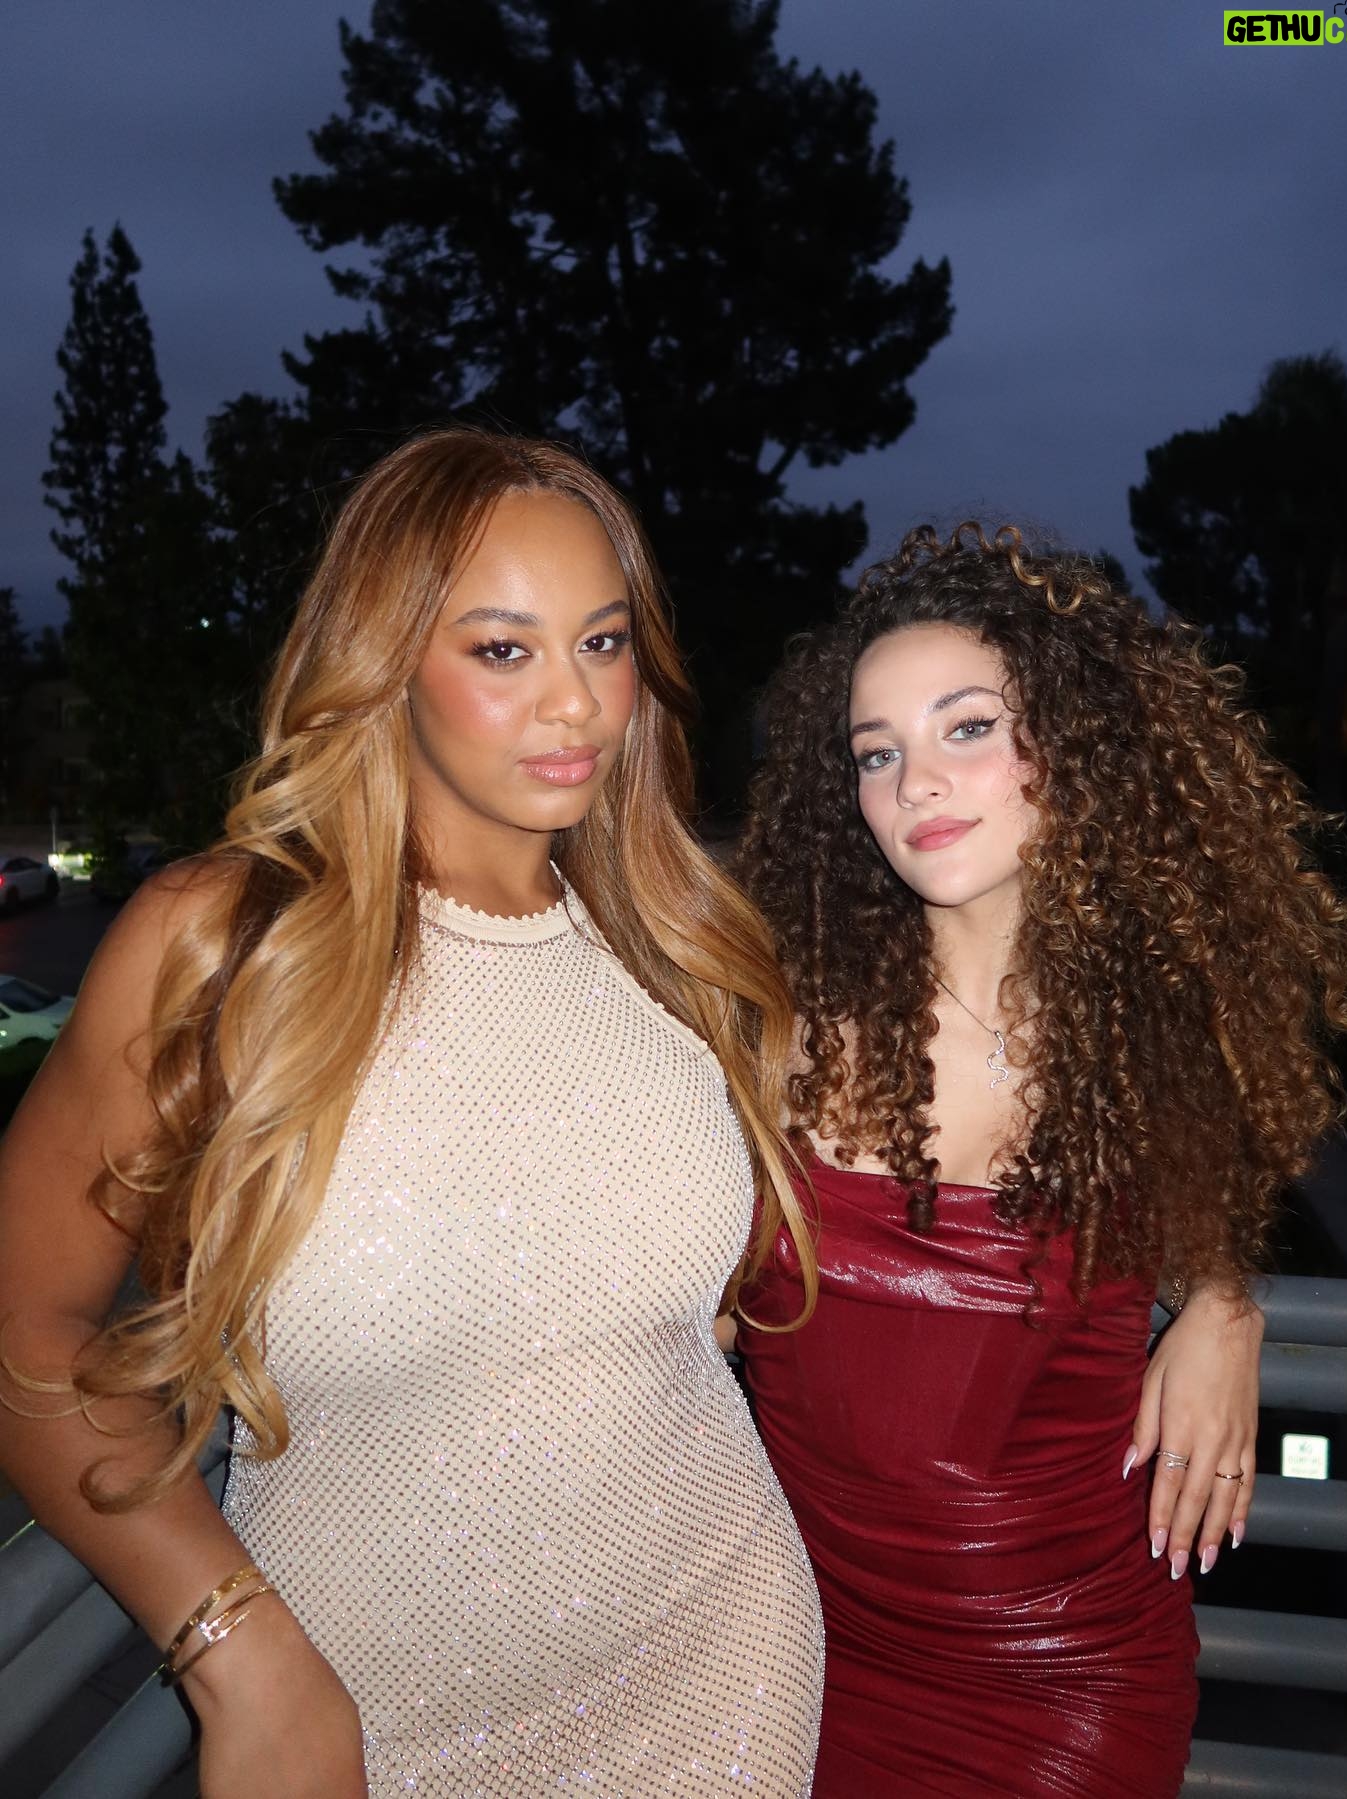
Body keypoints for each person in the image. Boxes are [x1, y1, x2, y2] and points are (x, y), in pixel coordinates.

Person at [0, 429, 824, 1797]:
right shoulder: (223, 946)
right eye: (504, 648)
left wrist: (1199, 1284)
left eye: (604, 642)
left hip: (721, 1677)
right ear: (385, 661)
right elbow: (24, 1323)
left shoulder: (677, 943)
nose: (577, 702)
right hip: (355, 1730)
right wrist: (233, 1646)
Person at [735, 522, 1347, 1798]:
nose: (917, 782)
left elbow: (1214, 1229)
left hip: (1069, 1678)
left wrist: (1226, 1303)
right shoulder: (770, 1025)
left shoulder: (1156, 1046)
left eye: (968, 727)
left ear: (1072, 749)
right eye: (877, 752)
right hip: (804, 1654)